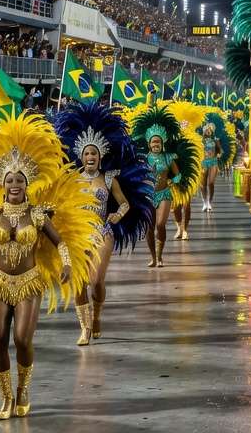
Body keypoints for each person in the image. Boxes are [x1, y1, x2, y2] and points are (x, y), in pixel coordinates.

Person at [0, 110, 101, 420]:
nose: (14, 184)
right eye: (10, 180)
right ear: (2, 183)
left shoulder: (37, 214)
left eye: (19, 180)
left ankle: (23, 390)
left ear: (27, 184)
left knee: (22, 339)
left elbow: (60, 242)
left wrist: (66, 264)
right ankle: (6, 397)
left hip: (29, 282)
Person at [50, 102, 154, 347]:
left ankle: (96, 316)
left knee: (96, 281)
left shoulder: (109, 179)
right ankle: (84, 328)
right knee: (79, 282)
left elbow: (125, 203)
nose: (90, 157)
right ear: (81, 156)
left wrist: (118, 214)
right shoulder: (72, 180)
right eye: (87, 154)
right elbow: (61, 204)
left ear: (100, 156)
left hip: (103, 232)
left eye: (94, 154)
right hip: (78, 236)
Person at [135, 105, 200, 266]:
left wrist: (174, 182)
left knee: (160, 224)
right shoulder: (143, 159)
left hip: (164, 194)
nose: (155, 144)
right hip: (148, 196)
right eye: (153, 142)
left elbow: (177, 175)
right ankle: (153, 257)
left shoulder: (168, 157)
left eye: (158, 141)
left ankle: (160, 256)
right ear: (149, 144)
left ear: (162, 143)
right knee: (149, 227)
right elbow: (138, 176)